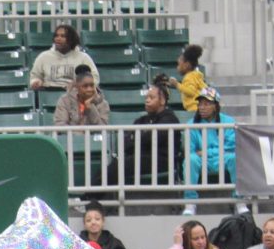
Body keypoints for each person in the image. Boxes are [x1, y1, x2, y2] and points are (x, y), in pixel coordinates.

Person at [98, 83, 181, 192]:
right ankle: (88, 197)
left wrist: (137, 138)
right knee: (110, 166)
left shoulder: (170, 119)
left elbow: (153, 139)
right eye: (146, 98)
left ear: (162, 101)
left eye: (151, 97)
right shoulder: (141, 120)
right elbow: (126, 143)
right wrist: (140, 138)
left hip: (162, 161)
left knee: (122, 165)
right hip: (140, 157)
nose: (147, 100)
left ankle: (89, 198)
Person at [181, 87, 245, 216]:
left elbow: (230, 147)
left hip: (222, 159)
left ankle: (240, 200)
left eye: (206, 104)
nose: (202, 107)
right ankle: (190, 202)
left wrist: (207, 152)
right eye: (200, 104)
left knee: (234, 157)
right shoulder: (191, 124)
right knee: (191, 160)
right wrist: (211, 152)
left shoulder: (229, 122)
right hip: (202, 161)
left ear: (215, 106)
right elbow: (190, 150)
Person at [29, 24, 98, 91]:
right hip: (48, 92)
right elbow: (35, 75)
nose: (58, 39)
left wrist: (81, 85)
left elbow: (94, 77)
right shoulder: (43, 57)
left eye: (63, 36)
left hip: (75, 93)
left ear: (71, 39)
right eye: (56, 36)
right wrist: (36, 82)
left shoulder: (83, 57)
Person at [162, 43, 206, 113]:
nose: (177, 67)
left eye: (179, 64)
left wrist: (177, 84)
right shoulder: (196, 76)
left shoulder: (189, 77)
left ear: (187, 65)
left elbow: (191, 92)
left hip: (194, 109)